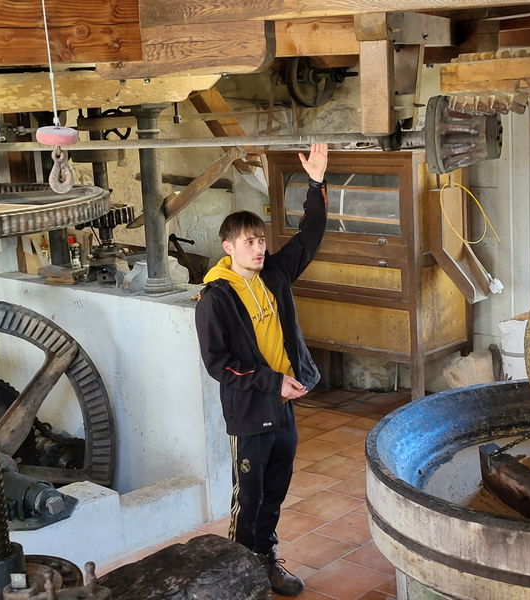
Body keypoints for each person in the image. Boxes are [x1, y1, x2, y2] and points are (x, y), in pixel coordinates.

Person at [194, 143, 328, 596]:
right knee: (246, 499)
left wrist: (316, 183)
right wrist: (272, 383)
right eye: (249, 241)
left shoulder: (273, 274)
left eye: (261, 239)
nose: (259, 247)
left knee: (274, 490)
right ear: (228, 247)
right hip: (251, 409)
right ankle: (238, 569)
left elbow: (309, 237)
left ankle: (265, 558)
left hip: (284, 404)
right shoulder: (215, 297)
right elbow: (220, 365)